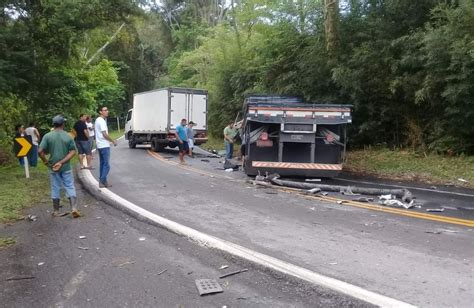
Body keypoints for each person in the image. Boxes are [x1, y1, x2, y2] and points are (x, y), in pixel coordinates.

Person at [38, 115, 80, 218]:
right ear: (63, 124)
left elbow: (40, 151)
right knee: (69, 186)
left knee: (55, 187)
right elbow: (73, 152)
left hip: (52, 167)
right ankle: (73, 208)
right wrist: (61, 162)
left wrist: (45, 162)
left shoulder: (47, 136)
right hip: (65, 167)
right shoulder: (68, 136)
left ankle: (56, 211)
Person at [95, 106, 117, 188]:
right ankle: (101, 180)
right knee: (107, 165)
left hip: (100, 145)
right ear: (100, 112)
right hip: (104, 145)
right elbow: (104, 134)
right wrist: (113, 141)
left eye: (107, 110)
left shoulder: (98, 120)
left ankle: (104, 182)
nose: (107, 111)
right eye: (105, 110)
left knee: (102, 164)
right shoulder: (101, 121)